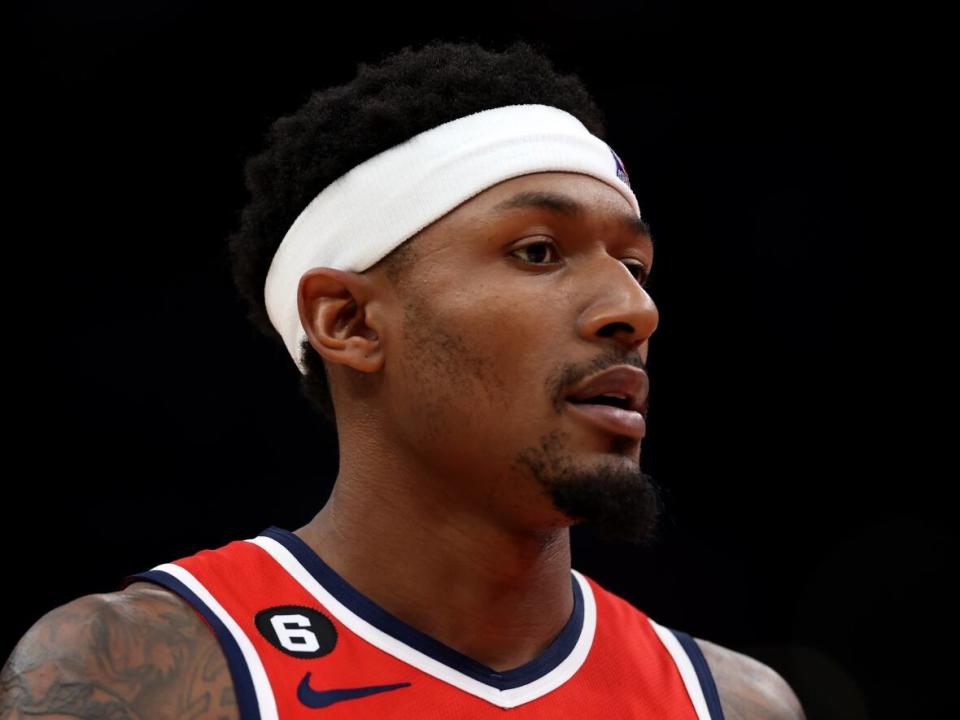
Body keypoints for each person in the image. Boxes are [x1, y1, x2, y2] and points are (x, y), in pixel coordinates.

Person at [1, 40, 805, 719]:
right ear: (347, 321)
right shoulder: (142, 668)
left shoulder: (732, 703)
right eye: (538, 252)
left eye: (635, 265)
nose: (635, 309)